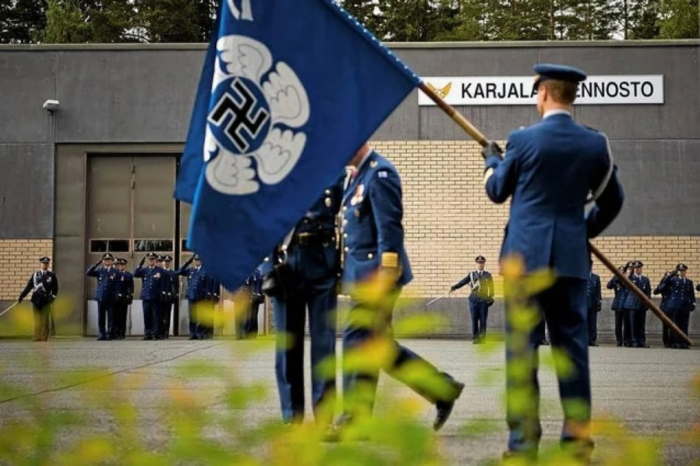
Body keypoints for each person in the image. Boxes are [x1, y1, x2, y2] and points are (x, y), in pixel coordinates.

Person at [481, 63, 624, 459]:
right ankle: (577, 441)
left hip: (525, 261)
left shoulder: (523, 140)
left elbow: (496, 191)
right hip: (570, 261)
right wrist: (583, 233)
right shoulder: (596, 144)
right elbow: (613, 199)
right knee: (572, 352)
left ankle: (523, 443)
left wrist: (491, 159)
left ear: (543, 92)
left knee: (521, 352)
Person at [337, 143, 464, 434]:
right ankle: (442, 389)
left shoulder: (380, 174)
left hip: (378, 278)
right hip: (362, 278)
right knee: (379, 348)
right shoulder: (355, 175)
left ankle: (354, 419)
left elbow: (390, 230)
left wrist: (385, 275)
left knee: (357, 340)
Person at [266, 179, 342, 424]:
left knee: (324, 345)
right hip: (285, 263)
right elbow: (259, 218)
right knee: (287, 346)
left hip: (322, 261)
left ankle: (325, 418)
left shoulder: (333, 168)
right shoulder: (276, 164)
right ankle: (291, 417)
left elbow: (349, 213)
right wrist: (268, 268)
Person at [450, 255, 495, 343]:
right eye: (479, 263)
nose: (480, 264)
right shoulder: (471, 275)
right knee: (474, 320)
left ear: (484, 264)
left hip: (483, 301)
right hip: (473, 301)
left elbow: (492, 287)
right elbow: (463, 282)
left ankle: (482, 339)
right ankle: (475, 338)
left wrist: (490, 298)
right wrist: (454, 287)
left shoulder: (488, 275)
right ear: (476, 264)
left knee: (483, 320)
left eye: (482, 263)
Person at [18, 256, 58, 341]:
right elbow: (29, 286)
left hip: (46, 300)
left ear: (48, 264)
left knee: (45, 319)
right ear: (40, 264)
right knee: (37, 319)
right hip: (36, 299)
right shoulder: (35, 275)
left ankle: (44, 337)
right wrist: (22, 296)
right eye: (43, 263)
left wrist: (52, 297)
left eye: (47, 263)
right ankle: (37, 336)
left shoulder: (51, 275)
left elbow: (55, 288)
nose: (45, 265)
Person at [659, 264, 695, 349]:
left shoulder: (689, 282)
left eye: (683, 271)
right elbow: (663, 286)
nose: (682, 272)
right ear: (677, 271)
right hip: (675, 306)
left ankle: (684, 342)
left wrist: (693, 303)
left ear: (686, 271)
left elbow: (691, 294)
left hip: (685, 306)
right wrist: (669, 276)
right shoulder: (672, 280)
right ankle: (675, 342)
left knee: (684, 325)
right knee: (675, 325)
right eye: (680, 271)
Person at [86, 253, 119, 340]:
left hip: (111, 298)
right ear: (103, 261)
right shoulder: (100, 270)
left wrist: (116, 295)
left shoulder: (115, 271)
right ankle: (102, 334)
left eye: (109, 260)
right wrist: (97, 263)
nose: (107, 261)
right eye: (105, 260)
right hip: (101, 297)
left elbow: (118, 285)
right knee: (101, 317)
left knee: (111, 317)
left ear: (112, 261)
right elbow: (88, 273)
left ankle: (109, 334)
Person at [177, 254, 210, 340]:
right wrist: (187, 262)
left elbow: (207, 285)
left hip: (201, 297)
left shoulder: (205, 271)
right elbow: (179, 271)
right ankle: (192, 333)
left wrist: (207, 296)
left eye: (198, 260)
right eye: (195, 260)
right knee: (192, 316)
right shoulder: (190, 270)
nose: (197, 261)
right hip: (192, 296)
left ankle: (200, 333)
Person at [134, 252, 164, 340]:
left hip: (156, 297)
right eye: (150, 259)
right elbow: (135, 274)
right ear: (147, 260)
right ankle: (147, 333)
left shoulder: (160, 270)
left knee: (156, 316)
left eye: (153, 259)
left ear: (155, 260)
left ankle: (156, 333)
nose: (151, 261)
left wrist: (162, 294)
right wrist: (140, 263)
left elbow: (163, 283)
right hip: (146, 297)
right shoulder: (144, 270)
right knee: (147, 316)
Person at [622, 261, 651, 348]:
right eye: (636, 268)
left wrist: (647, 303)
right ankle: (633, 341)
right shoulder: (629, 278)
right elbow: (624, 284)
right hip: (632, 304)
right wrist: (628, 274)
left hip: (642, 305)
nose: (638, 270)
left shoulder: (645, 279)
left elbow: (648, 292)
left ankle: (642, 341)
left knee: (641, 324)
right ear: (633, 269)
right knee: (632, 324)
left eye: (639, 268)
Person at [607, 262, 633, 346]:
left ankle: (626, 340)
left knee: (626, 324)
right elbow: (609, 286)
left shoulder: (627, 279)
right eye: (620, 270)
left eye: (623, 270)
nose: (621, 272)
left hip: (626, 304)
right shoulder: (616, 279)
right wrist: (616, 275)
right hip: (618, 304)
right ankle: (619, 340)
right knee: (618, 324)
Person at [653, 268, 675, 348]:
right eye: (667, 276)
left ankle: (672, 341)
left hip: (673, 307)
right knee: (665, 325)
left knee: (673, 325)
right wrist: (665, 280)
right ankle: (666, 341)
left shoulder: (674, 284)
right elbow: (656, 291)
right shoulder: (663, 284)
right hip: (665, 307)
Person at [113, 258, 134, 339]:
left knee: (122, 316)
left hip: (124, 298)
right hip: (115, 298)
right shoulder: (115, 274)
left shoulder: (128, 275)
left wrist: (130, 296)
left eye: (123, 265)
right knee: (114, 316)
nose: (121, 266)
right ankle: (115, 333)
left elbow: (131, 287)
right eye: (120, 265)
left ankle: (121, 333)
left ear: (125, 265)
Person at [242, 266, 265, 338]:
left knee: (249, 315)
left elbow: (246, 285)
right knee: (254, 315)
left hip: (250, 297)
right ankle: (253, 333)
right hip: (257, 297)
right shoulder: (259, 272)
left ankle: (248, 333)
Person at [158, 255, 177, 339]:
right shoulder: (159, 272)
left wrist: (174, 296)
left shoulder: (173, 273)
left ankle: (166, 332)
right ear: (162, 262)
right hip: (159, 297)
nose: (166, 263)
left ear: (170, 263)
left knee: (167, 315)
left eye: (168, 262)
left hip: (168, 297)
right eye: (165, 262)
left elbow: (175, 286)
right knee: (159, 315)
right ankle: (160, 332)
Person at [586, 262, 602, 346]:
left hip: (593, 304)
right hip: (583, 304)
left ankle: (592, 340)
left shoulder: (596, 277)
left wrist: (599, 302)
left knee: (593, 323)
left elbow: (598, 292)